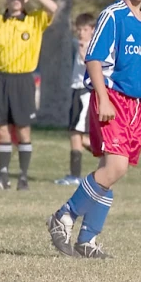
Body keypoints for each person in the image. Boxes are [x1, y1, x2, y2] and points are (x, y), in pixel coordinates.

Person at [46, 0, 141, 259]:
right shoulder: (113, 15)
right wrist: (104, 98)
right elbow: (93, 59)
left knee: (110, 171)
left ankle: (87, 240)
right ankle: (63, 216)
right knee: (115, 167)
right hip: (114, 101)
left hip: (136, 105)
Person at [0, 0, 58, 191]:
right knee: (1, 129)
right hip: (1, 79)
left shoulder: (35, 20)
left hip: (23, 80)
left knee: (23, 129)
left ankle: (23, 177)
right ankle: (3, 178)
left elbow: (54, 8)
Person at [53, 13, 97, 186]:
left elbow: (93, 66)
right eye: (79, 30)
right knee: (75, 133)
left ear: (93, 30)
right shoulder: (78, 43)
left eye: (85, 29)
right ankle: (105, 155)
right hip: (76, 90)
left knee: (76, 133)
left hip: (85, 92)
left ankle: (76, 175)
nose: (81, 33)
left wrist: (84, 53)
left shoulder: (93, 46)